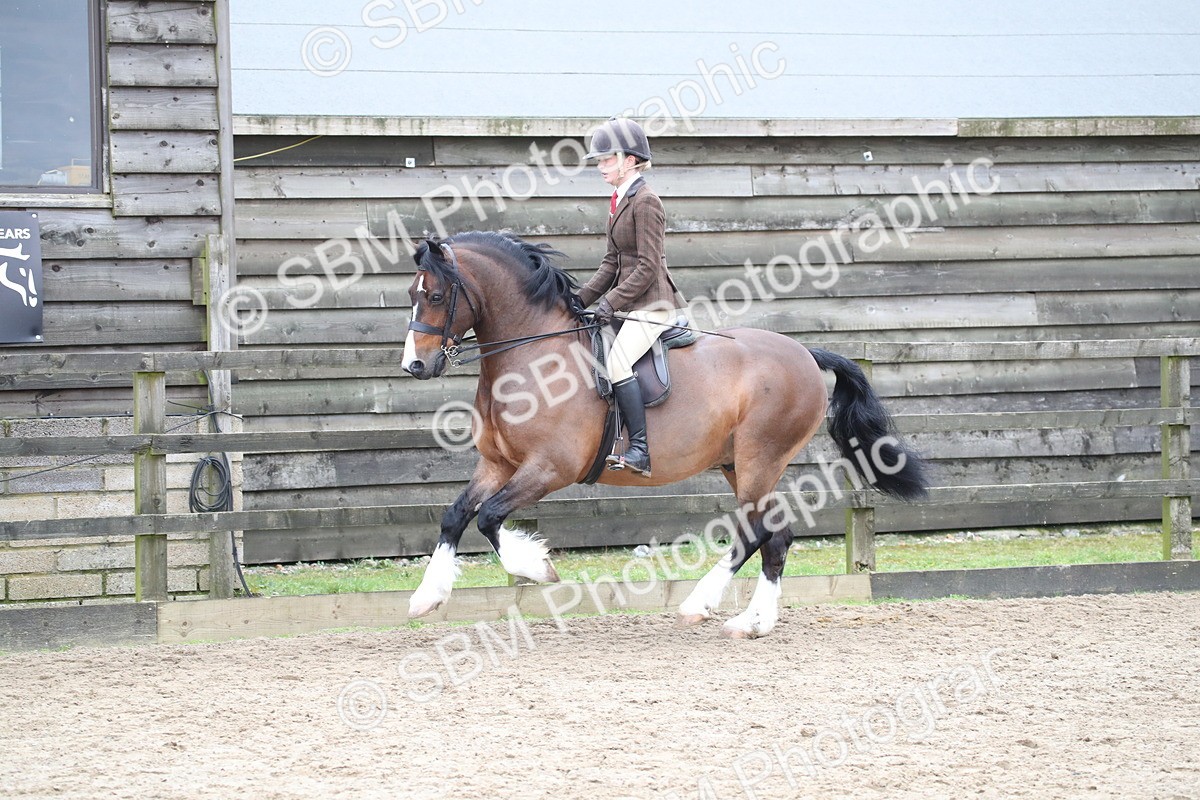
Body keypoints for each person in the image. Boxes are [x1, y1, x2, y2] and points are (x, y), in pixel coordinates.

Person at [575, 117, 688, 478]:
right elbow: (612, 262)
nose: (600, 166)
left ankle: (640, 449)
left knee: (619, 362)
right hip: (631, 305)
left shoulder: (647, 202)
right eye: (599, 160)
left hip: (653, 305)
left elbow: (648, 266)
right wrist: (578, 299)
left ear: (630, 160)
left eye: (607, 159)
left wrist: (609, 304)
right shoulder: (619, 200)